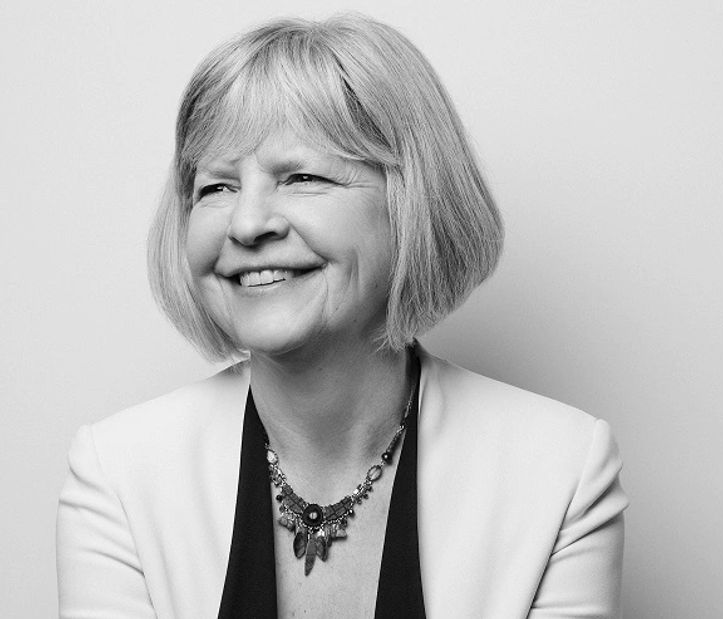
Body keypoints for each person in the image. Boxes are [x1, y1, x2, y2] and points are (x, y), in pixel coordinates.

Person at [57, 14, 627, 619]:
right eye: (216, 187)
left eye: (302, 176)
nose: (248, 224)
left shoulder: (560, 470)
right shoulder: (117, 475)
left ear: (412, 204)